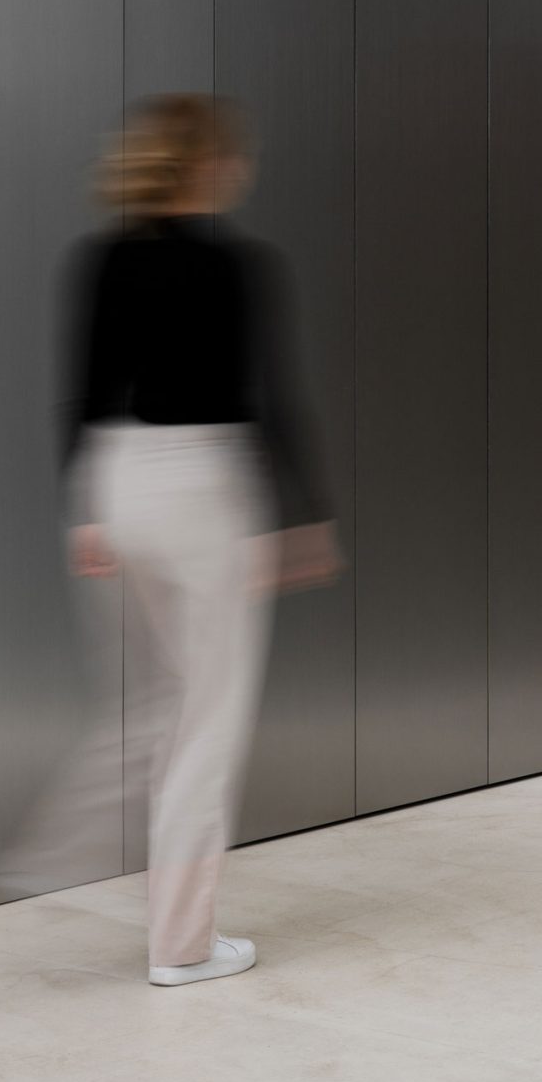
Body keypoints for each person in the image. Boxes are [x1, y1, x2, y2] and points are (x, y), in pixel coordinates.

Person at [61, 93, 340, 986]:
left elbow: (84, 389)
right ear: (214, 165)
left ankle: (76, 857)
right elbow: (271, 403)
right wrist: (308, 516)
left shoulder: (102, 257)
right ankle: (181, 946)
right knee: (203, 723)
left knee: (156, 704)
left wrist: (87, 514)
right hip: (201, 490)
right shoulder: (239, 265)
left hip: (117, 482)